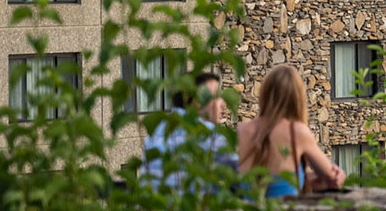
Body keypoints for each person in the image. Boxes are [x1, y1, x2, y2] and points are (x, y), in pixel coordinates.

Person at [237, 64, 345, 197]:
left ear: (264, 93)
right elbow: (332, 177)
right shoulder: (297, 132)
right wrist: (339, 173)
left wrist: (306, 178)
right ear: (298, 98)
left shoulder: (241, 130)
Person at [141, 71, 239, 193]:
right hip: (193, 209)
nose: (223, 104)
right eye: (215, 96)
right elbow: (243, 177)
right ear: (196, 101)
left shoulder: (156, 129)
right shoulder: (210, 134)